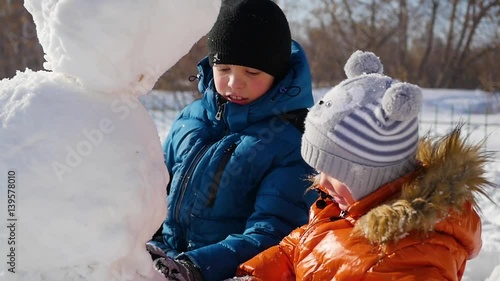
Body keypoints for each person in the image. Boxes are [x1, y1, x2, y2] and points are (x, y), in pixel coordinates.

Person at [231, 50, 493, 280]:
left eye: (332, 172)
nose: (321, 183)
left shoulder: (415, 256)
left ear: (370, 173)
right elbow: (297, 249)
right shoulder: (342, 209)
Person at [147, 0, 317, 280]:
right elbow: (152, 190)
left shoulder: (291, 143)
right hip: (164, 265)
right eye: (224, 68)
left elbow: (274, 233)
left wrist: (197, 266)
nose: (234, 83)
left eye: (252, 73)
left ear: (278, 75)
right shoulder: (191, 118)